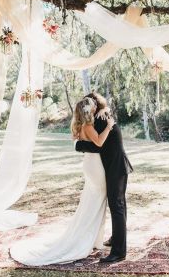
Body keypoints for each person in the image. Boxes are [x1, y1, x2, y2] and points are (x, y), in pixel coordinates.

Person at [9, 97, 114, 265]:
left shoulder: (80, 126)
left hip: (90, 165)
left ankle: (94, 239)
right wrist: (108, 126)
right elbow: (100, 142)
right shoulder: (88, 126)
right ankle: (90, 240)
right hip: (95, 167)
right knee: (97, 202)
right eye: (94, 106)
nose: (96, 107)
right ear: (89, 110)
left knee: (92, 202)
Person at [75, 92, 133, 263]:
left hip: (115, 167)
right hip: (115, 166)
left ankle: (118, 252)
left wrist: (78, 145)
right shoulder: (103, 114)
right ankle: (117, 240)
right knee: (119, 205)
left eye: (89, 104)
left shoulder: (101, 118)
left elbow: (97, 146)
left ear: (94, 106)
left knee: (117, 206)